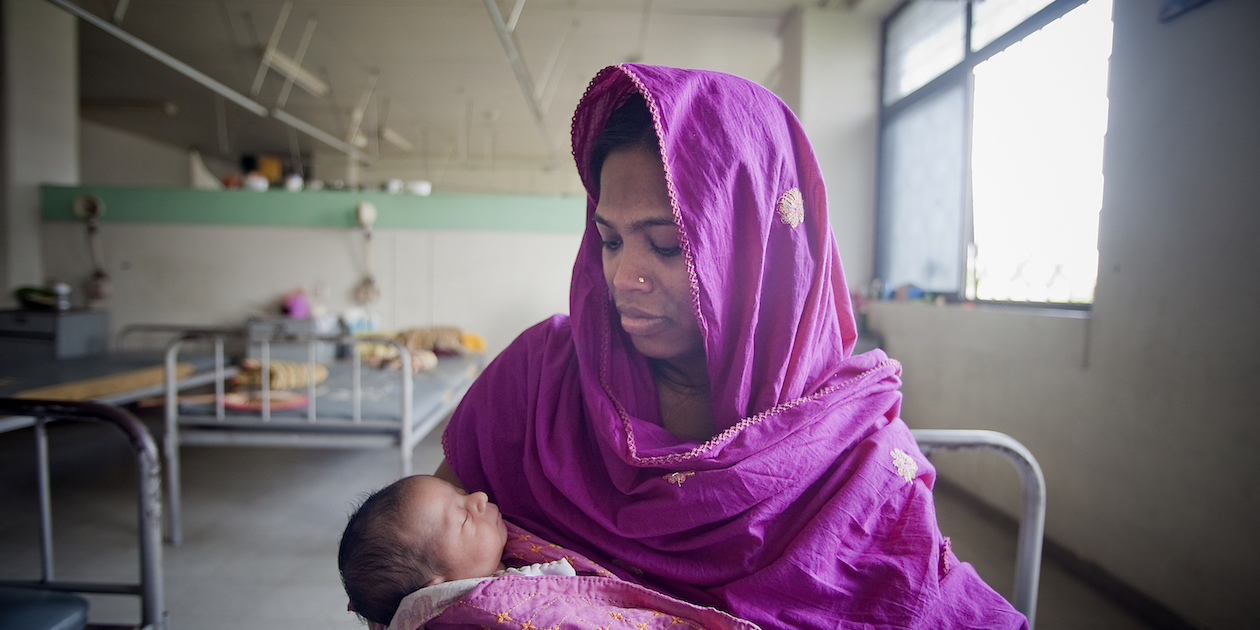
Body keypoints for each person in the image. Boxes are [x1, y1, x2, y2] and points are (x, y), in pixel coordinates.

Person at [437, 64, 1027, 629]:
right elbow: (417, 550)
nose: (622, 277)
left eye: (666, 246)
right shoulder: (541, 380)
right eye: (610, 240)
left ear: (759, 252)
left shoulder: (853, 455)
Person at [338, 475, 760, 630]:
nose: (481, 496)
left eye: (463, 494)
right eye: (465, 517)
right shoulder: (483, 611)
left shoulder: (498, 568)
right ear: (438, 587)